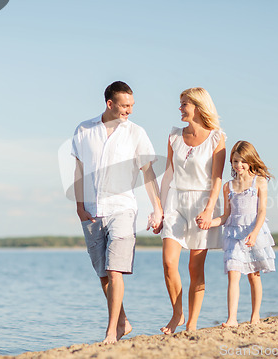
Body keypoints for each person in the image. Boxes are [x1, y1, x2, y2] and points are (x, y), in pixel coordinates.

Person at [71, 81, 163, 344]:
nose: (129, 111)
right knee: (103, 274)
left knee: (115, 270)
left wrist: (157, 208)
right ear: (110, 104)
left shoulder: (136, 133)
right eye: (125, 106)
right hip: (91, 211)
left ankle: (111, 332)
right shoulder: (84, 129)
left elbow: (148, 173)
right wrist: (79, 206)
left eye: (132, 106)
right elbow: (78, 172)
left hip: (123, 209)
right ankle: (122, 321)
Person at [156, 87, 226, 334]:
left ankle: (192, 324)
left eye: (184, 103)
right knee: (168, 263)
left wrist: (209, 211)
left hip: (202, 203)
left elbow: (217, 178)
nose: (180, 108)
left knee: (195, 268)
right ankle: (177, 314)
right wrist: (160, 210)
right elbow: (168, 174)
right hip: (176, 200)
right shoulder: (174, 136)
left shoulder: (217, 138)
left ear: (198, 106)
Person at [209, 140, 276, 327]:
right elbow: (225, 216)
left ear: (250, 160)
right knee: (233, 273)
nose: (238, 165)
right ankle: (232, 319)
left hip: (253, 233)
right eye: (235, 161)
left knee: (254, 276)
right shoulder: (228, 186)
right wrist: (209, 222)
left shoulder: (259, 182)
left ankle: (255, 315)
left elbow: (262, 211)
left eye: (242, 161)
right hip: (233, 235)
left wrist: (254, 233)